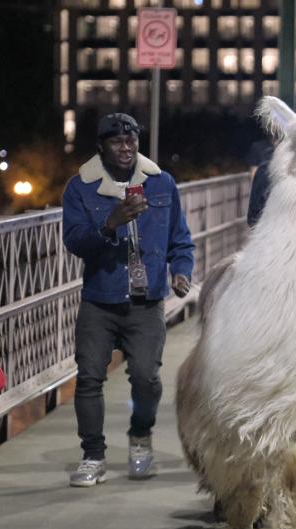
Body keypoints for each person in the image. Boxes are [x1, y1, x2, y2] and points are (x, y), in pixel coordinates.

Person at [62, 113, 194, 486]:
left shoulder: (162, 183)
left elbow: (180, 239)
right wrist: (111, 223)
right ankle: (93, 456)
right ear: (101, 146)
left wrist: (180, 269)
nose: (126, 146)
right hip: (100, 299)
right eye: (117, 141)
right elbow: (74, 242)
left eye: (132, 139)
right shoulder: (80, 188)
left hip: (147, 299)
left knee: (146, 377)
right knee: (88, 378)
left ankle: (140, 438)